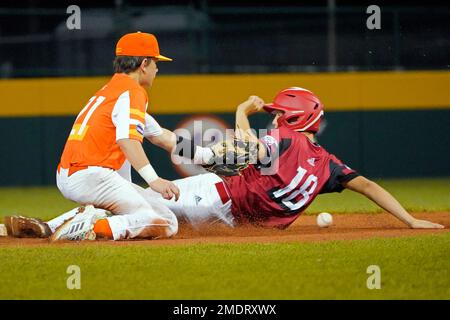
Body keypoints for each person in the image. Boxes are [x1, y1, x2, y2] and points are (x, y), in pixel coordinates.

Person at [4, 87, 443, 240]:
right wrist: (408, 221)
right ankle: (52, 227)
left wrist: (241, 111)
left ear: (291, 118)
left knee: (134, 202)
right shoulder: (328, 164)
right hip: (232, 221)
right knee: (140, 208)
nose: (274, 116)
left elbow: (242, 155)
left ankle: (74, 226)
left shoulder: (283, 137)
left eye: (277, 112)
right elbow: (367, 185)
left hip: (213, 197)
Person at [5, 32, 182, 241]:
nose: (157, 68)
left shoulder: (110, 91)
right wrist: (154, 180)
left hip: (72, 173)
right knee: (166, 223)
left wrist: (209, 156)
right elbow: (127, 141)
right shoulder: (133, 92)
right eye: (155, 62)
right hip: (92, 176)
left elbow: (162, 137)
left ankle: (48, 227)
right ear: (144, 63)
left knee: (162, 214)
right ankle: (88, 227)